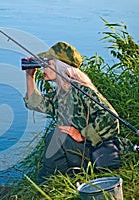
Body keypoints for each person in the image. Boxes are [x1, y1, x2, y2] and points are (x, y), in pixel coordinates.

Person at [24, 42, 121, 183]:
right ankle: (59, 181)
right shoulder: (61, 93)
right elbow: (36, 104)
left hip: (95, 152)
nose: (44, 67)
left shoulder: (83, 91)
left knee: (55, 138)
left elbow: (111, 118)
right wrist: (29, 77)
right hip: (79, 151)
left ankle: (47, 183)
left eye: (48, 63)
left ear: (60, 67)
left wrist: (82, 135)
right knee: (56, 138)